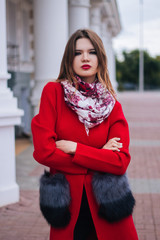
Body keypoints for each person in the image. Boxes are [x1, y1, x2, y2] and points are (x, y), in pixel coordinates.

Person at [31, 29, 139, 240]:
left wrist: (75, 149)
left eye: (92, 52)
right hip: (68, 202)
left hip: (108, 204)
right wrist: (99, 156)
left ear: (101, 58)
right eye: (78, 53)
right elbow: (44, 152)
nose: (85, 58)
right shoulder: (53, 93)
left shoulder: (112, 106)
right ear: (69, 59)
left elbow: (119, 162)